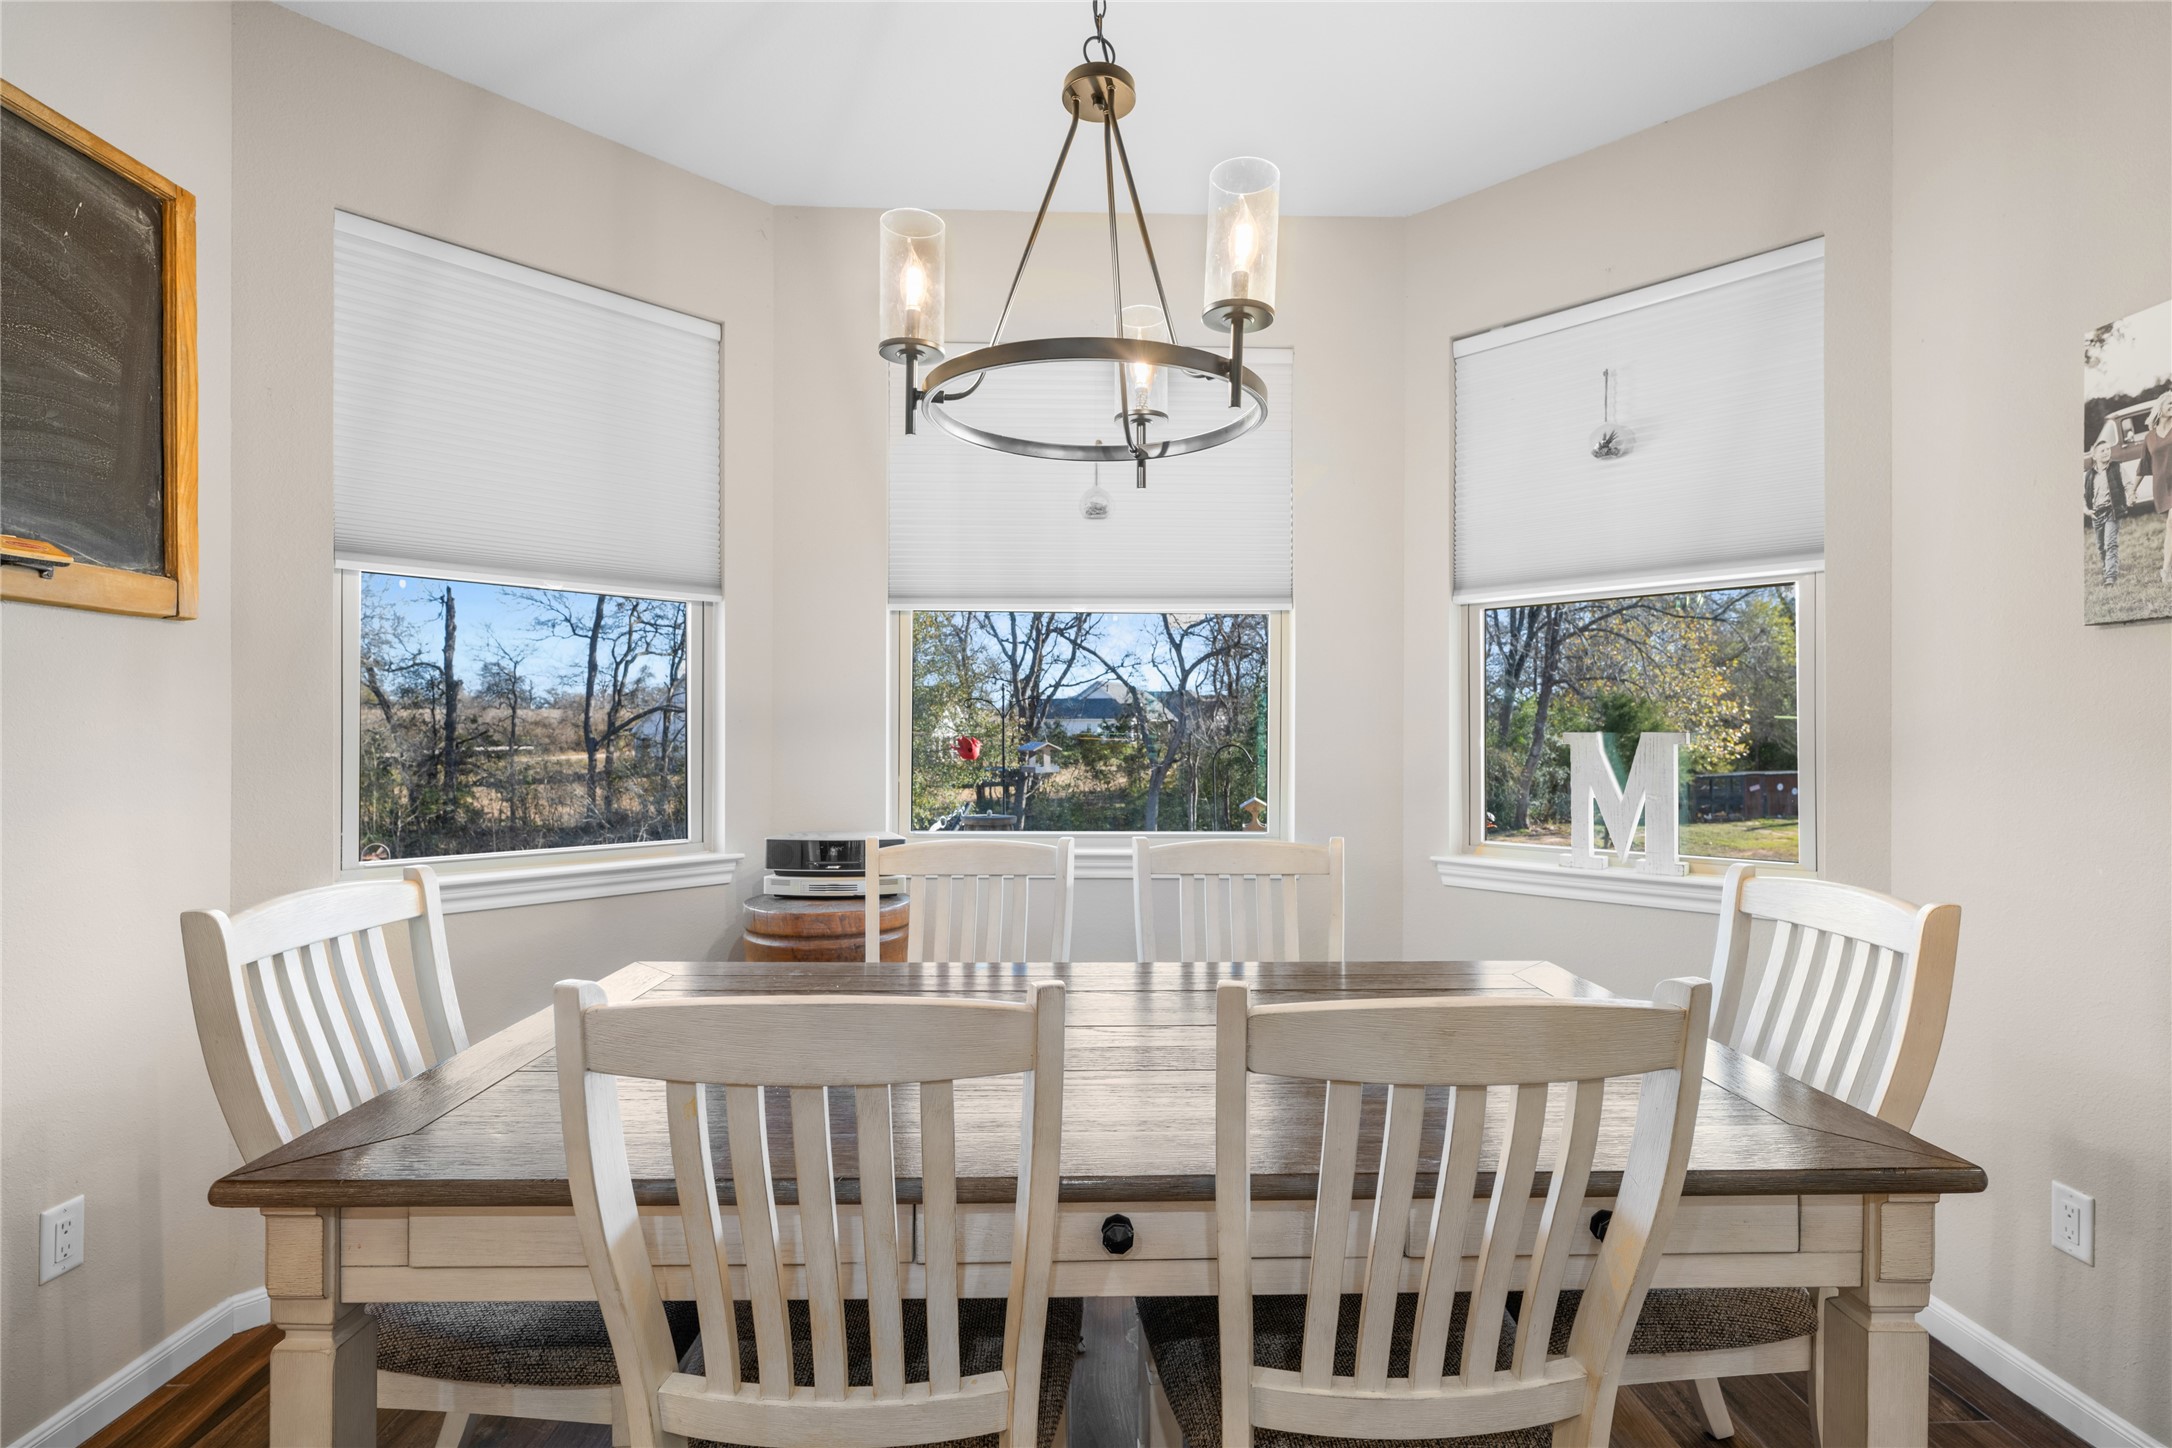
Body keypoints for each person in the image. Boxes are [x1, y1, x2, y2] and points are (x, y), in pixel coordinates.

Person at [2136, 390, 2172, 586]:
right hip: (2162, 487)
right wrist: (2132, 490)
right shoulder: (2150, 437)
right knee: (2171, 528)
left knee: (2171, 524)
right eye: (2170, 403)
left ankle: (2165, 570)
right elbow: (2143, 465)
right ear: (2160, 408)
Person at [2084, 438, 2127, 585]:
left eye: (2108, 449)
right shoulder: (2089, 475)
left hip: (2112, 511)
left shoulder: (2116, 467)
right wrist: (2087, 510)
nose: (2106, 452)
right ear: (2094, 456)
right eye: (2102, 450)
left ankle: (2110, 576)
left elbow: (2128, 483)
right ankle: (2106, 567)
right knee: (2101, 546)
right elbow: (2082, 496)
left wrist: (2131, 494)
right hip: (2096, 514)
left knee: (2110, 544)